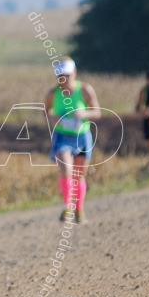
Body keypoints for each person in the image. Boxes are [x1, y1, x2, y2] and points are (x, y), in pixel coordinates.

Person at [43, 58, 100, 224]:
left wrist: (84, 115)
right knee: (66, 170)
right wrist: (54, 119)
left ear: (74, 73)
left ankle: (79, 210)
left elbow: (97, 112)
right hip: (63, 137)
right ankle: (67, 207)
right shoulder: (53, 94)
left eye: (67, 75)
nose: (63, 79)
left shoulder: (85, 90)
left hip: (82, 136)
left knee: (79, 175)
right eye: (60, 76)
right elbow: (45, 112)